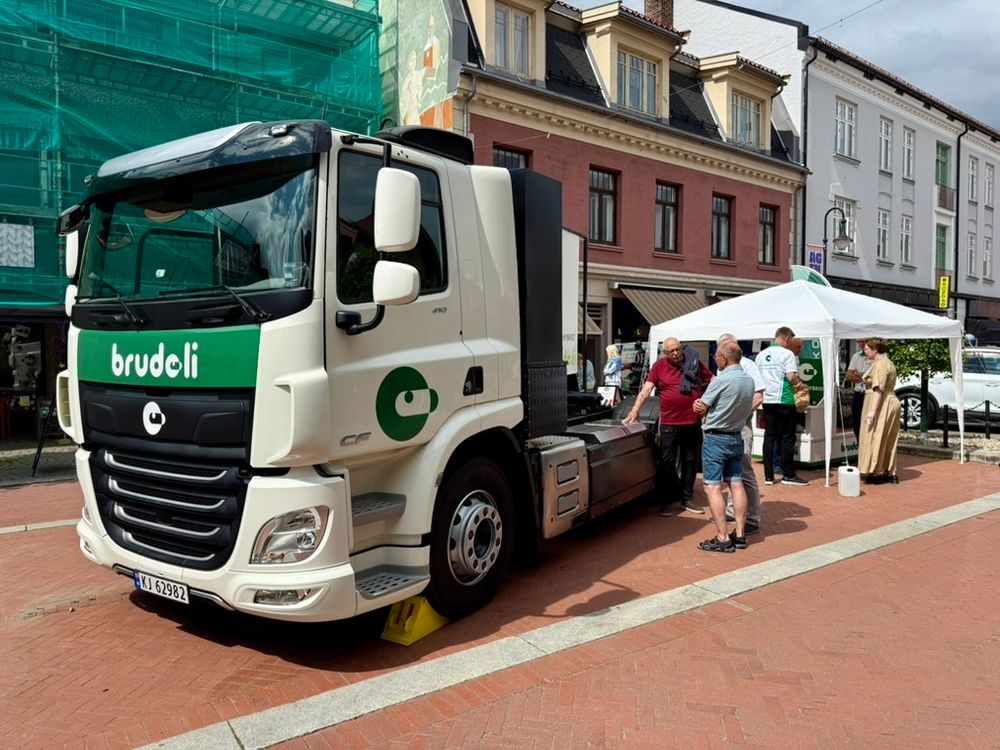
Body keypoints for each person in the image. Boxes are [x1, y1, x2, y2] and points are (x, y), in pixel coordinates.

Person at [623, 337, 712, 516]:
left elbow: (714, 381)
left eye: (678, 349)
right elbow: (646, 389)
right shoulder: (659, 366)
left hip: (692, 421)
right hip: (670, 423)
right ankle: (667, 499)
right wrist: (635, 410)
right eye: (671, 351)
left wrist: (707, 403)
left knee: (690, 460)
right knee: (667, 461)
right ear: (665, 353)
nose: (676, 353)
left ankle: (687, 498)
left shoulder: (693, 362)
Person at [692, 341, 756, 552]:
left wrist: (698, 406)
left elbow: (702, 407)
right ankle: (740, 533)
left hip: (716, 438)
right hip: (736, 436)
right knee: (736, 483)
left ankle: (722, 537)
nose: (714, 359)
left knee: (712, 487)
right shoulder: (748, 380)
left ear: (724, 358)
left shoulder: (720, 380)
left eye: (717, 356)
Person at [718, 334, 765, 536]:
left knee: (745, 471)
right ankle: (732, 510)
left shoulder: (748, 366)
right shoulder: (722, 368)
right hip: (727, 427)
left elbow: (759, 394)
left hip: (741, 426)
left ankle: (752, 517)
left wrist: (741, 415)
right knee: (731, 472)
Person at [757, 326, 808, 486]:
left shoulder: (761, 355)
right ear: (786, 338)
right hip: (784, 399)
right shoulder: (788, 354)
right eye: (790, 340)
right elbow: (791, 376)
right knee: (787, 437)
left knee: (769, 436)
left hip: (767, 400)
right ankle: (788, 474)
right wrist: (799, 384)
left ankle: (768, 476)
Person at [858, 338, 901, 484]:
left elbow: (879, 389)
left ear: (876, 350)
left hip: (882, 403)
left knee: (877, 435)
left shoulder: (881, 365)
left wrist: (872, 411)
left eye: (867, 348)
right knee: (886, 437)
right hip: (887, 401)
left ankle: (877, 470)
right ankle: (886, 469)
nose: (865, 350)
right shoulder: (883, 362)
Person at [845, 339, 871, 443]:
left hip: (870, 393)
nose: (862, 344)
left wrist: (858, 374)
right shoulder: (856, 356)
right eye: (859, 341)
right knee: (857, 424)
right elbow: (848, 376)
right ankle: (860, 448)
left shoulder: (877, 357)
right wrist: (864, 377)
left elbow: (874, 378)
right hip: (859, 394)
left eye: (864, 341)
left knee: (869, 423)